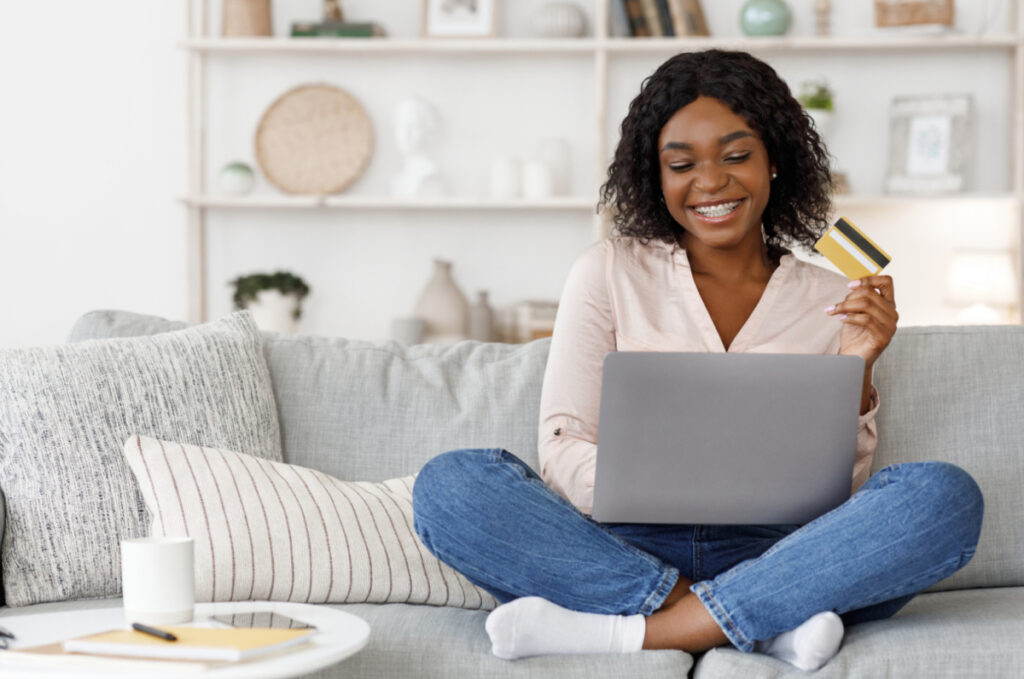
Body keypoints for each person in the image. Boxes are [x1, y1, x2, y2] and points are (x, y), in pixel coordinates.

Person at [411, 49, 983, 671]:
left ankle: (637, 631)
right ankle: (758, 626)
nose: (710, 183)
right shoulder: (607, 271)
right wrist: (649, 487)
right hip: (620, 549)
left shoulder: (832, 296)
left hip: (781, 554)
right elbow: (562, 446)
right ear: (656, 176)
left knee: (943, 497)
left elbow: (835, 492)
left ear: (774, 163)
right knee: (452, 486)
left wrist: (861, 363)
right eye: (682, 164)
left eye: (736, 156)